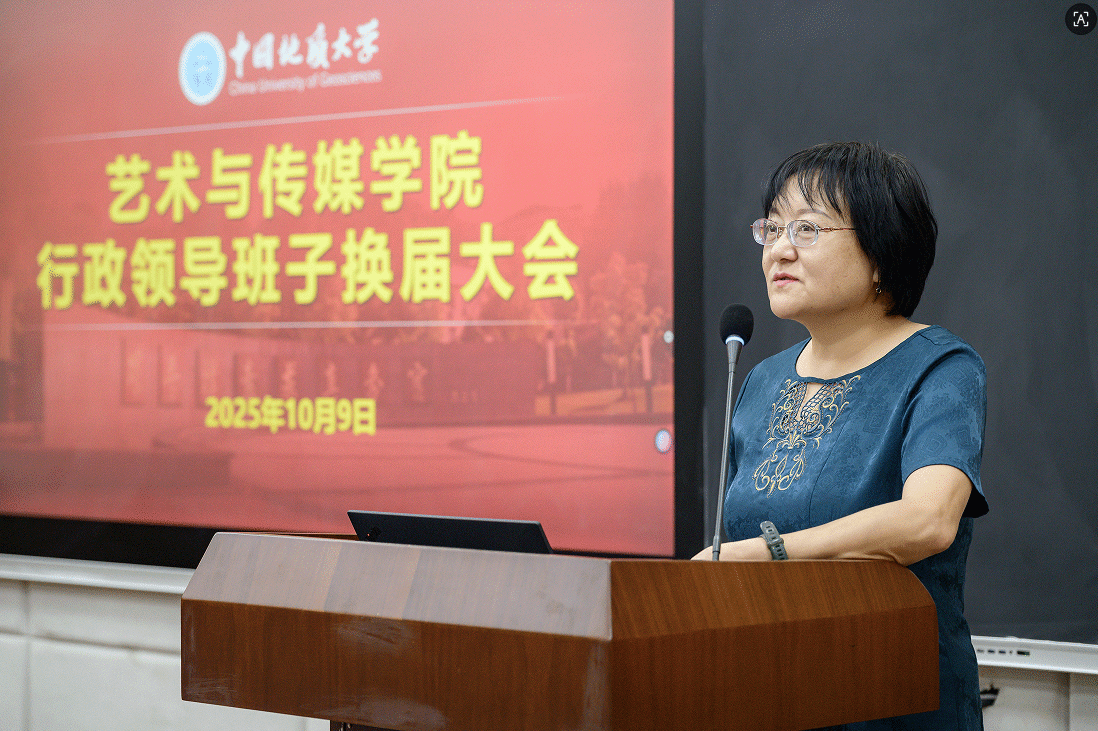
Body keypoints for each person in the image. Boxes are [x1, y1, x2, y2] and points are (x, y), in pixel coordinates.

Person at [696, 141, 988, 730]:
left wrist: (768, 554)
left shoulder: (940, 368)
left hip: (893, 697)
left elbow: (927, 521)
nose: (779, 249)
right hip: (773, 693)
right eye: (772, 228)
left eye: (807, 229)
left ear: (881, 252)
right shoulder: (761, 381)